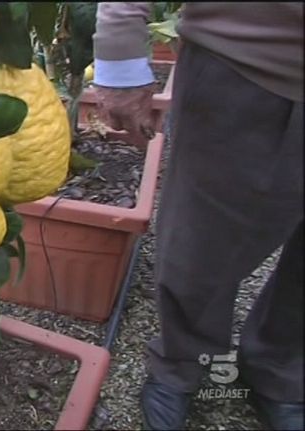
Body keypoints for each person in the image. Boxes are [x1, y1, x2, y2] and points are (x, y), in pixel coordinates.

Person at [91, 2, 303, 430]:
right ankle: (183, 360)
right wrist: (120, 53)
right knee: (201, 245)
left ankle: (280, 368)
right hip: (247, 67)